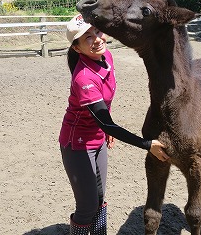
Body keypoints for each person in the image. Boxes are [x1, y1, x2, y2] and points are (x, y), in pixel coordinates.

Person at [59, 14, 170, 235]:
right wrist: (148, 145)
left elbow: (105, 106)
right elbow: (108, 124)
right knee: (86, 207)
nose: (97, 39)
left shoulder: (106, 56)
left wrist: (103, 124)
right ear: (78, 49)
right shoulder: (84, 78)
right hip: (78, 144)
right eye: (87, 38)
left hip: (97, 137)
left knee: (99, 199)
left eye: (97, 32)